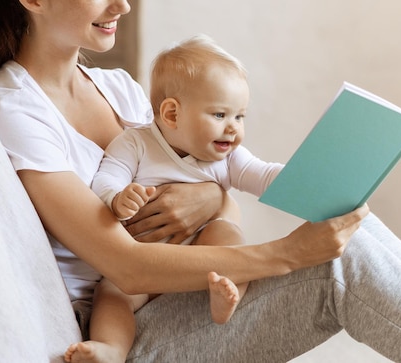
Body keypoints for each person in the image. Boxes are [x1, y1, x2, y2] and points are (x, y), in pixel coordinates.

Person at [0, 1, 401, 362]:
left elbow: (219, 194)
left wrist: (212, 198)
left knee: (352, 239)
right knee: (336, 261)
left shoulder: (122, 90)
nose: (123, 4)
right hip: (126, 329)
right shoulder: (15, 108)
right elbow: (122, 263)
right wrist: (285, 253)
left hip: (190, 291)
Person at [77, 34, 284, 361]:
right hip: (144, 268)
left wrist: (308, 178)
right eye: (220, 115)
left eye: (239, 116)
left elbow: (267, 177)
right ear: (172, 114)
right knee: (111, 294)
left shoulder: (228, 158)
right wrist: (118, 197)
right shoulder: (136, 144)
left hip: (201, 267)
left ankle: (225, 298)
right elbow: (107, 177)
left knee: (226, 234)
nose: (233, 128)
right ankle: (111, 348)